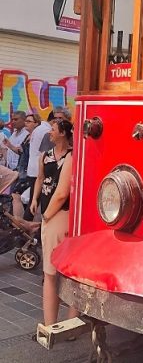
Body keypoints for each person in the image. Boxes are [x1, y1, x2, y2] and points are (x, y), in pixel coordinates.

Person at [30, 119, 79, 326]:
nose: (49, 132)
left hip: (58, 215)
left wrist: (46, 216)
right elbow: (40, 179)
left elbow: (61, 193)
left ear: (63, 133)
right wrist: (34, 198)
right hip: (54, 214)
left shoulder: (71, 156)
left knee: (51, 272)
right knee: (69, 273)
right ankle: (69, 323)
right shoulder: (46, 156)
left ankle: (51, 325)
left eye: (53, 129)